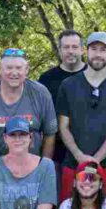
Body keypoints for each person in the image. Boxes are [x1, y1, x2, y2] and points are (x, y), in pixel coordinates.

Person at [56, 31, 106, 205]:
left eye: (103, 50)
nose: (98, 54)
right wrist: (80, 157)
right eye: (93, 49)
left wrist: (95, 160)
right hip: (73, 163)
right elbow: (63, 126)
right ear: (85, 51)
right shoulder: (68, 85)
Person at [0, 48, 57, 164]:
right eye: (9, 68)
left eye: (19, 68)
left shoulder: (40, 93)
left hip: (32, 170)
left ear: (26, 69)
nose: (14, 73)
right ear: (0, 69)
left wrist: (44, 167)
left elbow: (50, 133)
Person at [38, 30, 87, 174]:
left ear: (82, 49)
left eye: (74, 47)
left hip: (90, 150)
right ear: (59, 50)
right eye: (66, 47)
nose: (70, 51)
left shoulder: (95, 76)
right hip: (57, 152)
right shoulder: (46, 79)